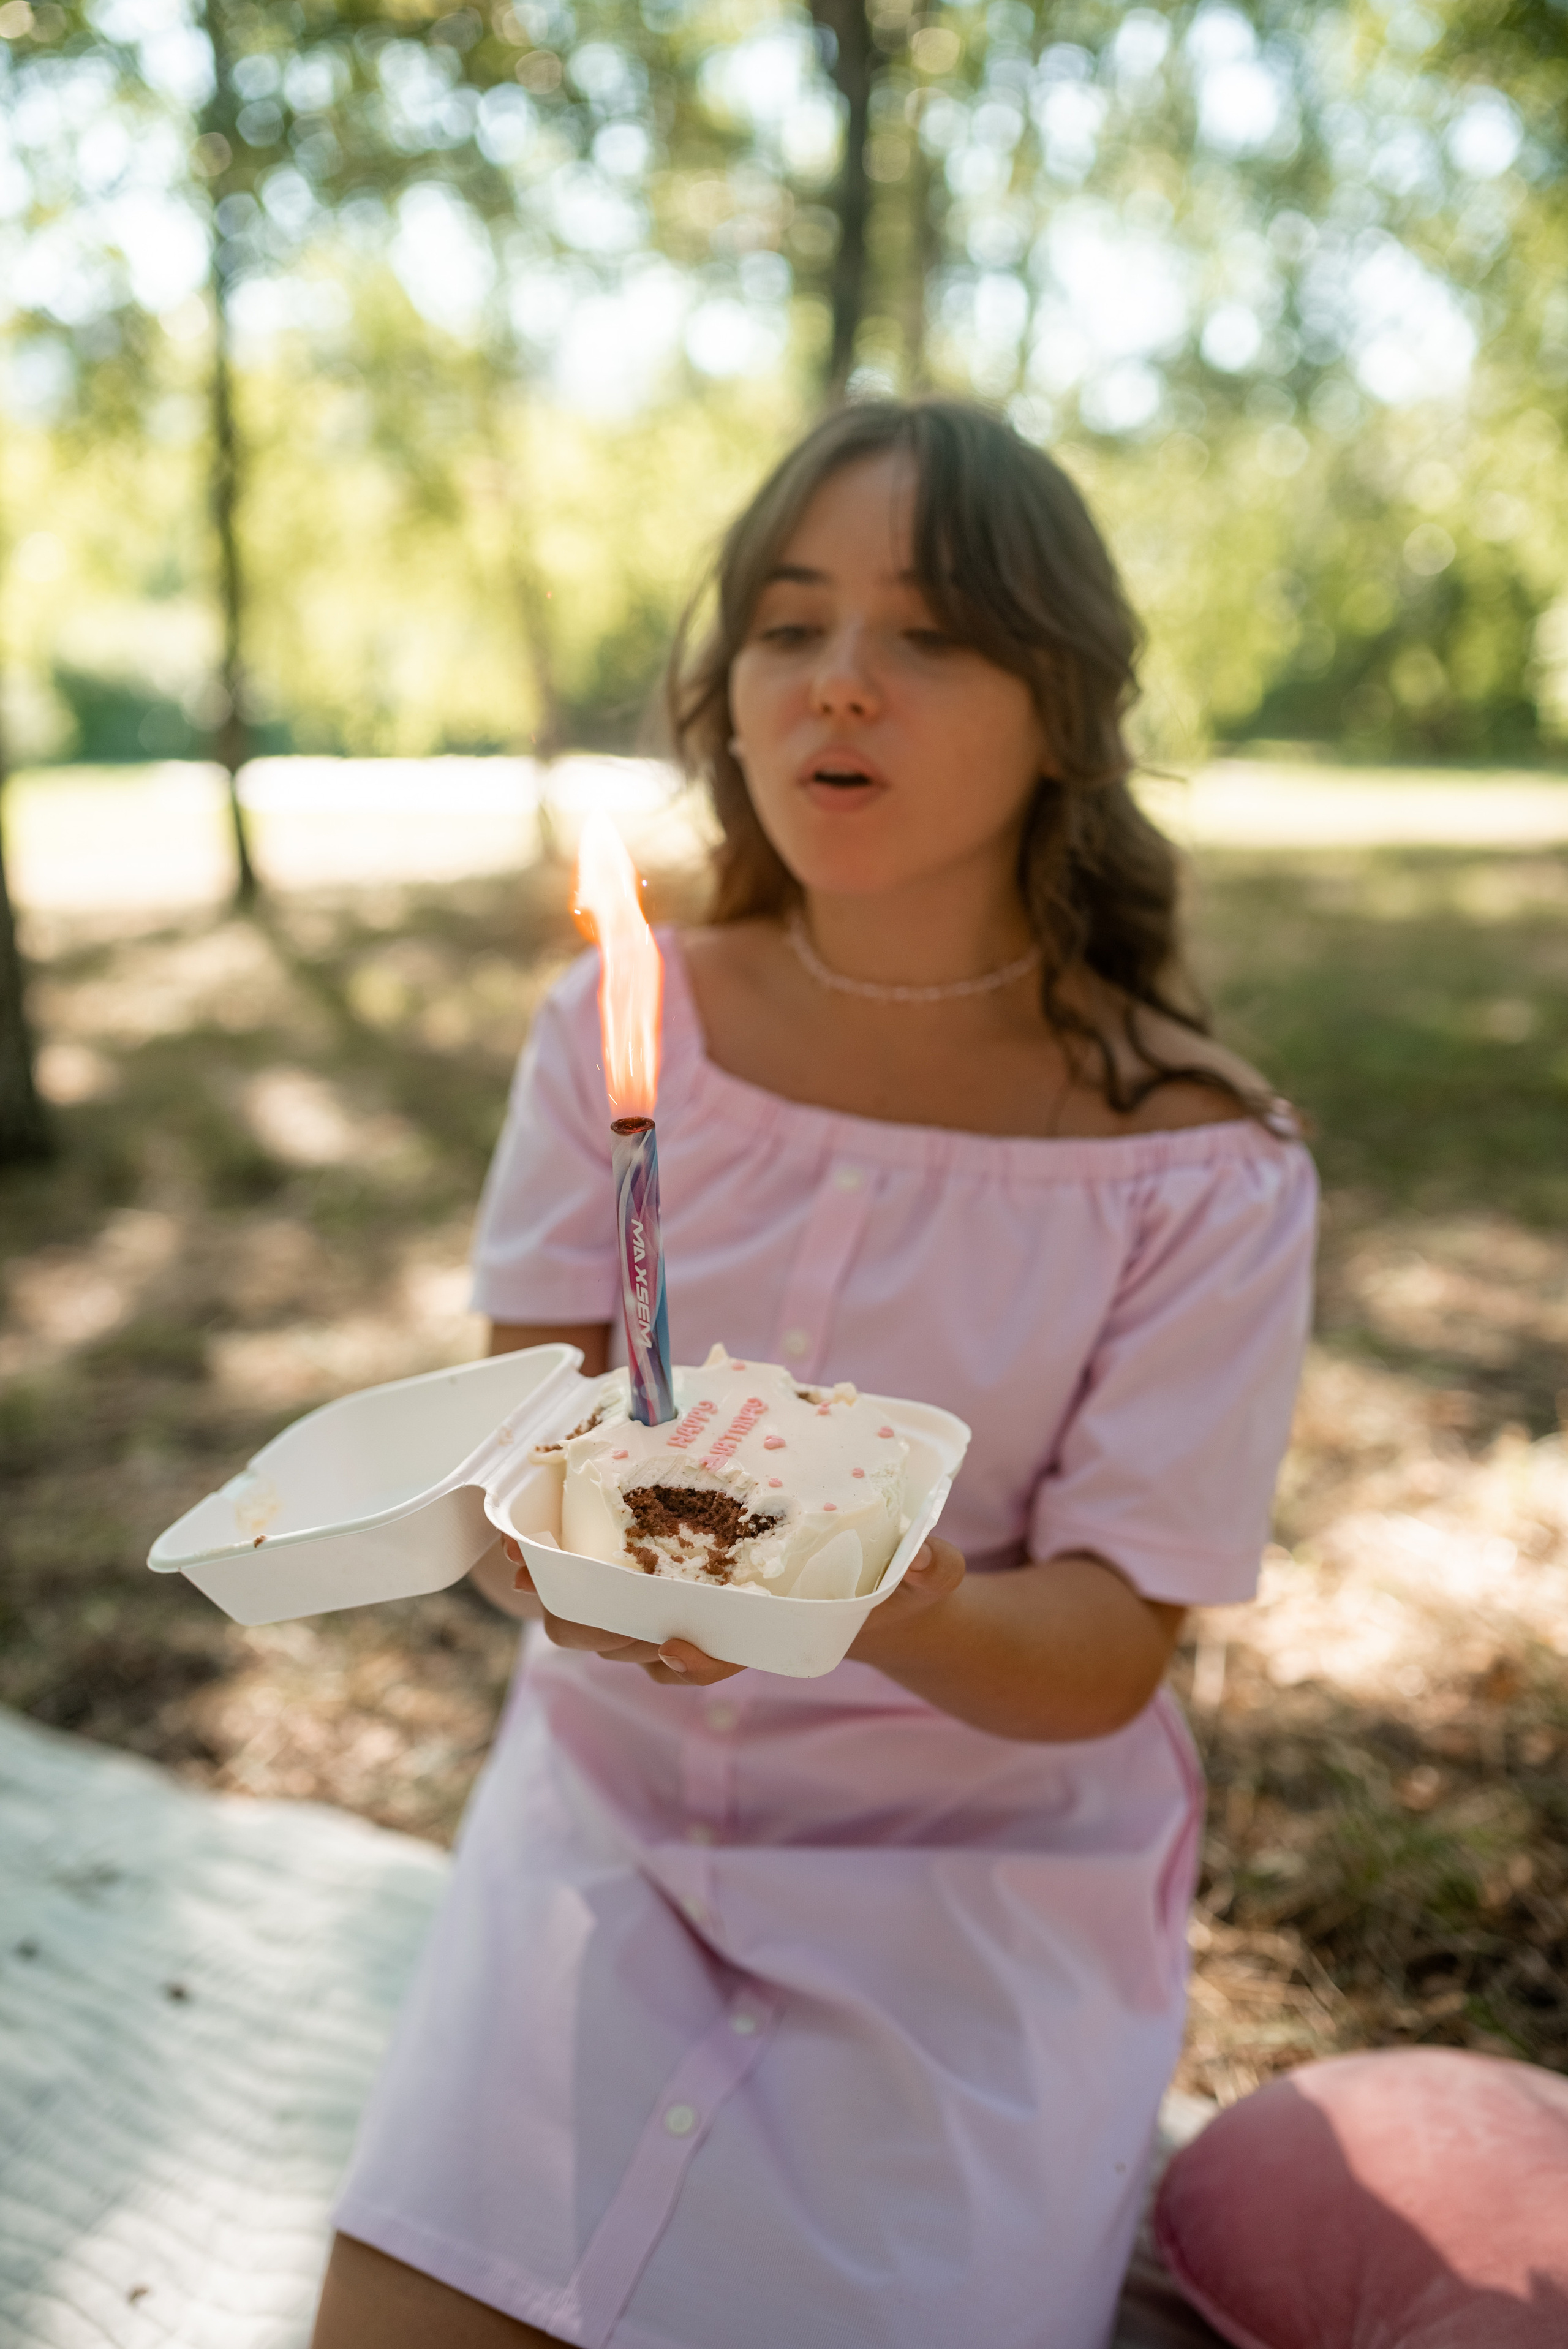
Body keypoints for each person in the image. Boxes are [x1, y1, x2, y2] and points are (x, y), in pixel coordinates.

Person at [311, 398, 1315, 2349]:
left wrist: (889, 1597)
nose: (841, 684)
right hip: (600, 1824)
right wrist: (559, 1560)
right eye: (789, 624)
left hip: (980, 1881)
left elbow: (1113, 1644)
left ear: (1064, 704)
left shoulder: (1202, 1166)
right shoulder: (618, 1028)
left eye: (929, 633)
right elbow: (540, 1436)